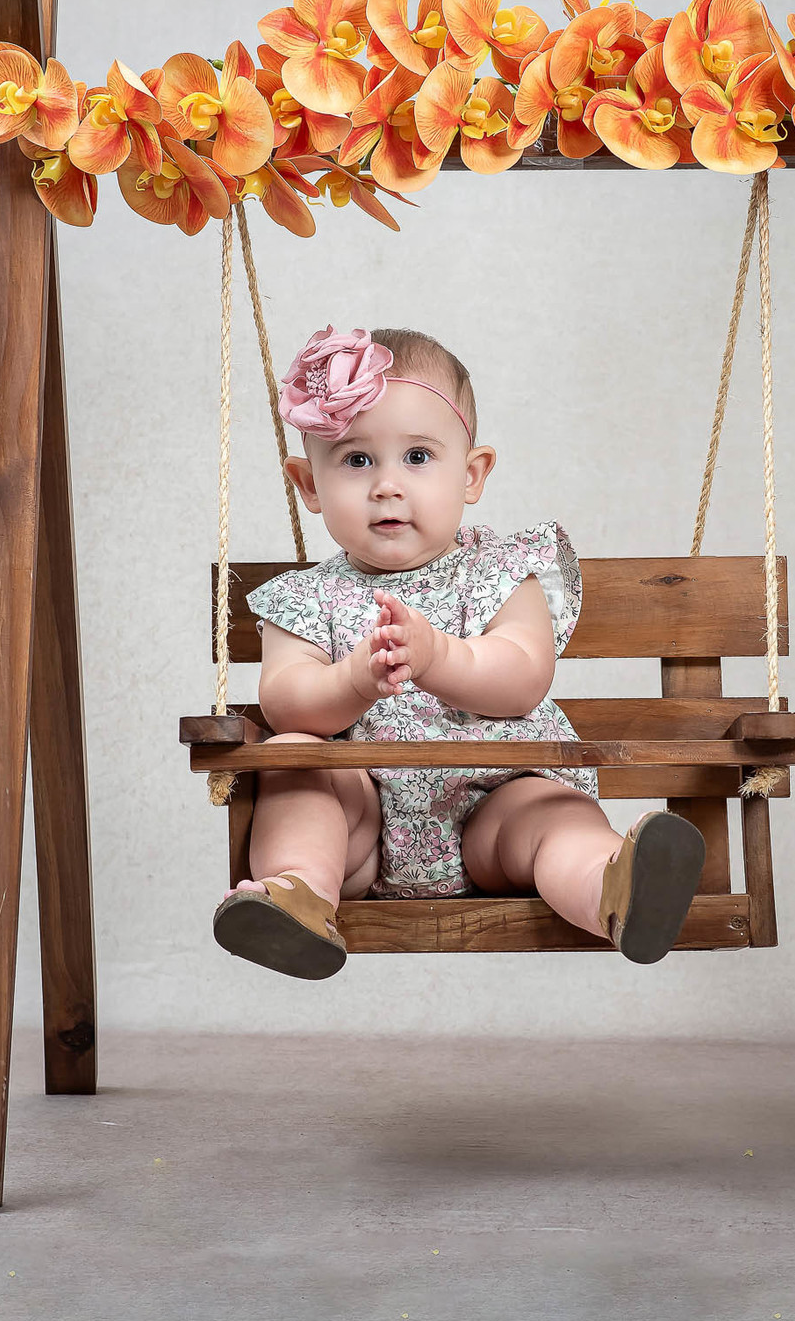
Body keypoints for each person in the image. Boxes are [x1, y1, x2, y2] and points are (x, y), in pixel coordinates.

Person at [212, 324, 705, 980]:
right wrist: (353, 680)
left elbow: (524, 675)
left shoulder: (502, 571)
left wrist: (438, 657)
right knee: (293, 762)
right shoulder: (304, 599)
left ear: (471, 475)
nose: (387, 485)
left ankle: (610, 887)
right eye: (356, 460)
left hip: (496, 807)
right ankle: (300, 893)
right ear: (308, 484)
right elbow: (286, 701)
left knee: (554, 815)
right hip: (362, 828)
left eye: (417, 457)